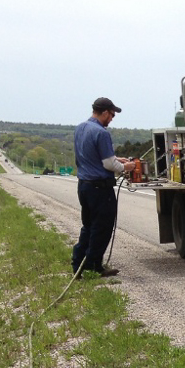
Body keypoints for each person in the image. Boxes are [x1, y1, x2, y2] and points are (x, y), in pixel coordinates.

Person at [71, 97, 135, 277]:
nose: (112, 119)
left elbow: (94, 157)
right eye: (112, 115)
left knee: (88, 226)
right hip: (100, 189)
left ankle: (78, 263)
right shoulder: (102, 133)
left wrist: (117, 159)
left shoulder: (81, 128)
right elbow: (108, 164)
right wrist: (125, 167)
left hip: (84, 186)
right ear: (105, 112)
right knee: (102, 228)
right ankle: (93, 266)